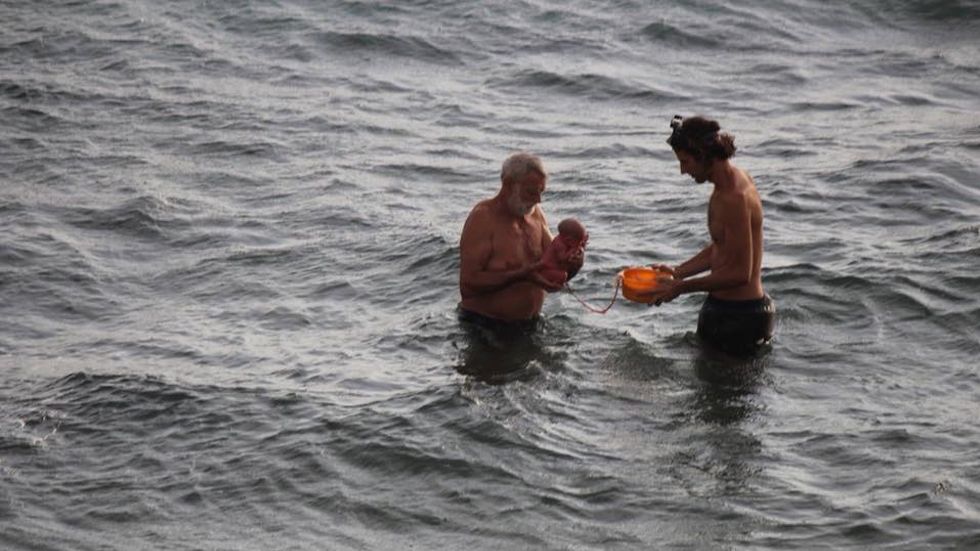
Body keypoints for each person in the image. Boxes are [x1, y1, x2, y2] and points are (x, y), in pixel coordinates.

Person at [641, 115, 774, 356]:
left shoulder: (733, 198)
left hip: (739, 318)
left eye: (685, 161)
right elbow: (721, 248)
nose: (683, 171)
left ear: (703, 155)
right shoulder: (735, 181)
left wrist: (680, 288)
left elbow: (740, 273)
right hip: (732, 311)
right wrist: (677, 271)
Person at [458, 152, 584, 327]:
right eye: (531, 192)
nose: (538, 200)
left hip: (531, 324)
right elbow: (468, 285)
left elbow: (556, 270)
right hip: (485, 325)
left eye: (541, 192)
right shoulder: (483, 218)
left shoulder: (536, 214)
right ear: (508, 185)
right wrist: (521, 275)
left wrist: (575, 262)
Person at [537, 218, 588, 288]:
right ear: (568, 239)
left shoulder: (564, 241)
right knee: (563, 275)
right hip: (546, 270)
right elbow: (562, 258)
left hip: (553, 269)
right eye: (577, 242)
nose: (578, 245)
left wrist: (581, 248)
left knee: (565, 273)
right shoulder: (559, 244)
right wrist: (572, 250)